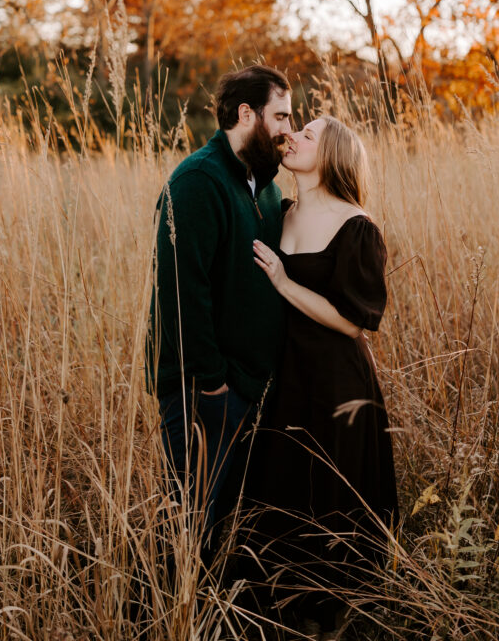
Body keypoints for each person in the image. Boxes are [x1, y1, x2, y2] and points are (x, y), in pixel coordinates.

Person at [252, 115, 398, 639]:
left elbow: (355, 321)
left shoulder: (356, 225)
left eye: (307, 135)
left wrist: (283, 282)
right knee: (286, 486)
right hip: (287, 375)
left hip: (337, 383)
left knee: (333, 494)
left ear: (331, 155)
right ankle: (289, 612)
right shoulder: (279, 211)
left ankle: (335, 620)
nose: (292, 137)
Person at [149, 64, 292, 554]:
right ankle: (168, 602)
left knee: (226, 528)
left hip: (249, 389)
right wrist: (212, 383)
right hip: (203, 391)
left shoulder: (267, 187)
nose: (288, 129)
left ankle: (210, 599)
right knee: (187, 526)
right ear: (247, 113)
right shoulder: (197, 181)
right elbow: (180, 290)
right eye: (281, 116)